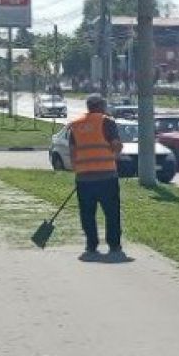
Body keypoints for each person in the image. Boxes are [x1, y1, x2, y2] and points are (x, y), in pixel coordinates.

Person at [68, 93, 127, 262]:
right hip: (107, 176)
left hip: (84, 178)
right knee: (111, 212)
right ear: (101, 106)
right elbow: (116, 146)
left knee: (87, 213)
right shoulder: (107, 122)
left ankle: (91, 245)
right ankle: (114, 245)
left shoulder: (76, 125)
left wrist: (78, 169)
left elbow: (72, 152)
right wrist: (116, 153)